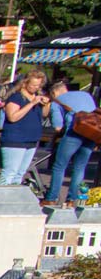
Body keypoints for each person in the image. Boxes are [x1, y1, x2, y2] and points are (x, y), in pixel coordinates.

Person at [47, 75, 94, 207]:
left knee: (59, 166)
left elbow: (57, 127)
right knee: (79, 167)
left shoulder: (57, 101)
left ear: (54, 93)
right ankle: (73, 199)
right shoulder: (86, 95)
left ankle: (52, 197)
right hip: (91, 133)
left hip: (74, 133)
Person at [0, 69, 47, 186]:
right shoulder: (16, 97)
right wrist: (31, 104)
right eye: (33, 85)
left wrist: (46, 104)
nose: (36, 87)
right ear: (25, 83)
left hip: (31, 139)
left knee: (20, 173)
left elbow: (44, 115)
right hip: (15, 140)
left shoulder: (36, 97)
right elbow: (12, 117)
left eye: (38, 85)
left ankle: (13, 198)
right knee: (10, 172)